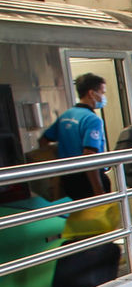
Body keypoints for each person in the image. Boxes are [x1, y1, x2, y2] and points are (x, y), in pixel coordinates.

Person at [39, 72, 109, 200]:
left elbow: (43, 140)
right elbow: (89, 155)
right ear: (91, 93)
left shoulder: (66, 115)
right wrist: (99, 191)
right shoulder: (92, 119)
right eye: (102, 93)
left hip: (68, 178)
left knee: (80, 214)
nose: (103, 97)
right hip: (88, 180)